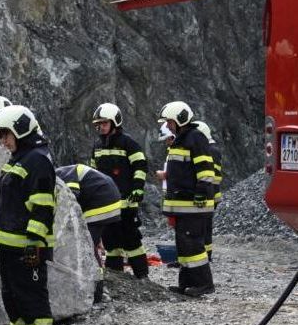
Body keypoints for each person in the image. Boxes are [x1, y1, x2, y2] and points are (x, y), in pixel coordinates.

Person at [0, 104, 56, 325]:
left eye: (6, 134)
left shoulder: (37, 160)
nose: (3, 141)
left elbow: (42, 207)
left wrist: (35, 243)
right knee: (14, 303)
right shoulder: (20, 158)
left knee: (34, 307)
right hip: (10, 246)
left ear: (21, 132)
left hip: (28, 247)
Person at [159, 102, 216, 297]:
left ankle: (204, 284)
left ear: (179, 120)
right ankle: (185, 284)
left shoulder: (195, 138)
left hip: (194, 203)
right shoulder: (180, 140)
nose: (167, 125)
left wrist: (202, 191)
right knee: (184, 246)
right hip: (183, 204)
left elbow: (206, 169)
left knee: (193, 244)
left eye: (169, 122)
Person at [90, 102, 149, 279]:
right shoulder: (97, 146)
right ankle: (117, 278)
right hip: (107, 205)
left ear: (115, 123)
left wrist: (138, 188)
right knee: (110, 242)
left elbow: (140, 165)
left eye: (104, 123)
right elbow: (93, 173)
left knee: (131, 240)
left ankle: (142, 276)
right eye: (98, 124)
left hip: (126, 203)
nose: (100, 127)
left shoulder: (127, 143)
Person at [55, 164, 122, 303]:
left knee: (86, 248)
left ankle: (96, 289)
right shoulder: (63, 173)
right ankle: (96, 288)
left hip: (101, 200)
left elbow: (71, 198)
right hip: (106, 198)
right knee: (90, 243)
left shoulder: (61, 175)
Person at [194, 121, 222, 260]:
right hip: (212, 192)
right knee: (204, 225)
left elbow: (212, 176)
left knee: (205, 226)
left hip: (209, 193)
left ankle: (206, 254)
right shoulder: (212, 149)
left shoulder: (210, 151)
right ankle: (206, 253)